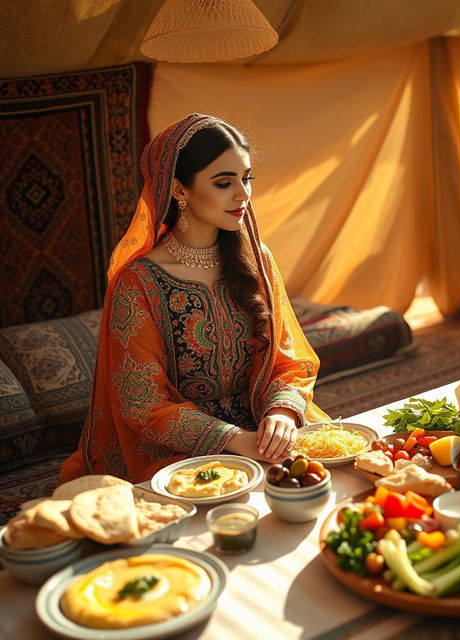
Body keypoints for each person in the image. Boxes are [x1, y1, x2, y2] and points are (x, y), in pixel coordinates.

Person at [60, 113, 330, 484]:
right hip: (181, 447)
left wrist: (282, 414)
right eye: (224, 183)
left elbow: (288, 360)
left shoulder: (257, 259)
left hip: (265, 429)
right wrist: (233, 438)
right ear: (179, 190)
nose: (243, 195)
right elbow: (142, 404)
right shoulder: (138, 283)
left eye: (246, 178)